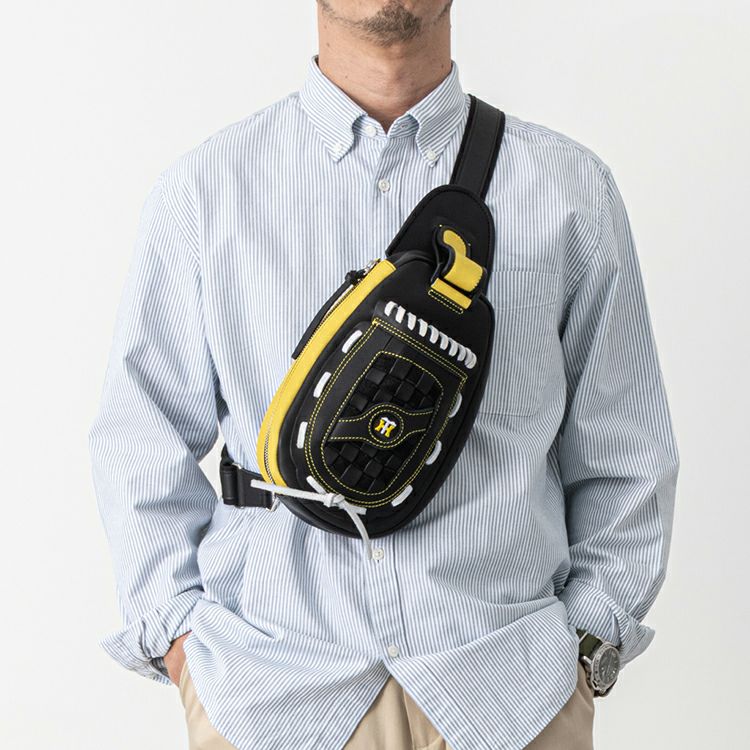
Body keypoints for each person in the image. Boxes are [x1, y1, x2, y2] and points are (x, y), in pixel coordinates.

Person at [88, 2, 680, 749]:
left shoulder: (569, 190)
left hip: (510, 696)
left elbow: (628, 451)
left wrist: (589, 641)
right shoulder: (207, 192)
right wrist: (179, 642)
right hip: (271, 698)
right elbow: (139, 438)